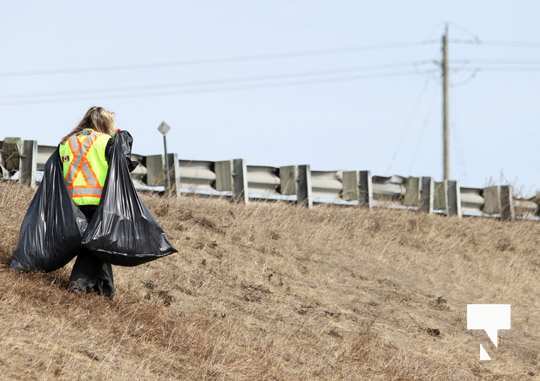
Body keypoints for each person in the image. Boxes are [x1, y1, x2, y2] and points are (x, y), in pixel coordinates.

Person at [59, 106, 136, 298]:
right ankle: (78, 284)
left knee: (98, 244)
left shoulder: (67, 142)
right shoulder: (105, 142)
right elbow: (123, 167)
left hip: (70, 203)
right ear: (105, 123)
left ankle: (105, 290)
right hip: (96, 201)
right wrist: (122, 142)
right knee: (95, 244)